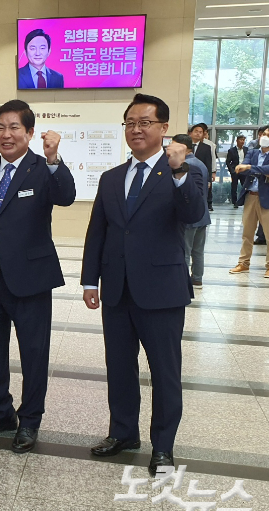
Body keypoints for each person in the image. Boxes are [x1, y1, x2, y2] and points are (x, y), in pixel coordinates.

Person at [81, 94, 205, 476]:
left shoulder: (184, 171)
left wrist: (180, 172)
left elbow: (194, 214)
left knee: (164, 371)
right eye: (130, 122)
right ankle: (123, 433)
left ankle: (163, 447)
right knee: (119, 366)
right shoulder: (112, 177)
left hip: (162, 290)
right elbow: (97, 232)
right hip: (117, 289)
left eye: (145, 122)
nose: (136, 129)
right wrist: (90, 281)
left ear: (163, 128)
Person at [0, 100, 75, 453]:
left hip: (31, 278)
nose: (6, 135)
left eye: (14, 128)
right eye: (0, 128)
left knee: (34, 354)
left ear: (30, 133)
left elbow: (66, 197)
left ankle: (30, 421)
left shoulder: (43, 169)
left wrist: (54, 159)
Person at [172, 134, 211, 289]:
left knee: (185, 250)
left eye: (173, 145)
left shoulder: (185, 165)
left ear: (183, 147)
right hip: (203, 216)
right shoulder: (200, 163)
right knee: (198, 250)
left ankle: (182, 280)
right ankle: (197, 278)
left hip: (191, 217)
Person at [230, 126, 269, 277]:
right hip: (250, 196)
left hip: (266, 198)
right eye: (263, 134)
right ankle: (243, 263)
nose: (264, 137)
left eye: (267, 135)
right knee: (247, 232)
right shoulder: (252, 152)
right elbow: (241, 169)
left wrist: (252, 168)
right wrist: (259, 170)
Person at [189, 124, 213, 210]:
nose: (198, 134)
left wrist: (209, 180)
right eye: (196, 131)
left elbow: (208, 164)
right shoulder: (185, 145)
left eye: (200, 132)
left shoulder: (206, 147)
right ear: (190, 133)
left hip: (200, 176)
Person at [226, 135, 246, 208]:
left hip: (244, 171)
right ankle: (235, 202)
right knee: (234, 186)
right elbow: (228, 161)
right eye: (241, 140)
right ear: (237, 141)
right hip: (235, 171)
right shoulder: (231, 150)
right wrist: (232, 171)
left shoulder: (246, 150)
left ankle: (244, 201)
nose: (242, 141)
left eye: (243, 140)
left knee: (245, 186)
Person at [203, 128, 217, 211]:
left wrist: (213, 171)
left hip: (207, 169)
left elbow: (213, 158)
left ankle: (209, 203)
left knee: (208, 187)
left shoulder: (210, 144)